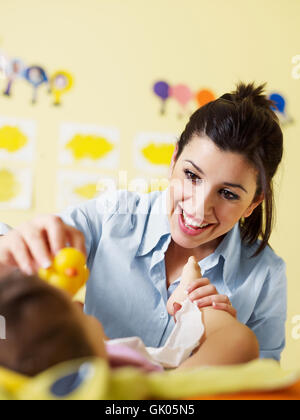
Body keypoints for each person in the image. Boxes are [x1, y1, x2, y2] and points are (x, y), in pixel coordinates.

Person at [0, 82, 286, 366]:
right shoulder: (112, 217)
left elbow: (262, 381)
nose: (199, 209)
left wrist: (214, 334)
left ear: (253, 203)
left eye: (227, 194)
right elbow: (14, 284)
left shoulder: (265, 275)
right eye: (191, 175)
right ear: (174, 159)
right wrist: (12, 248)